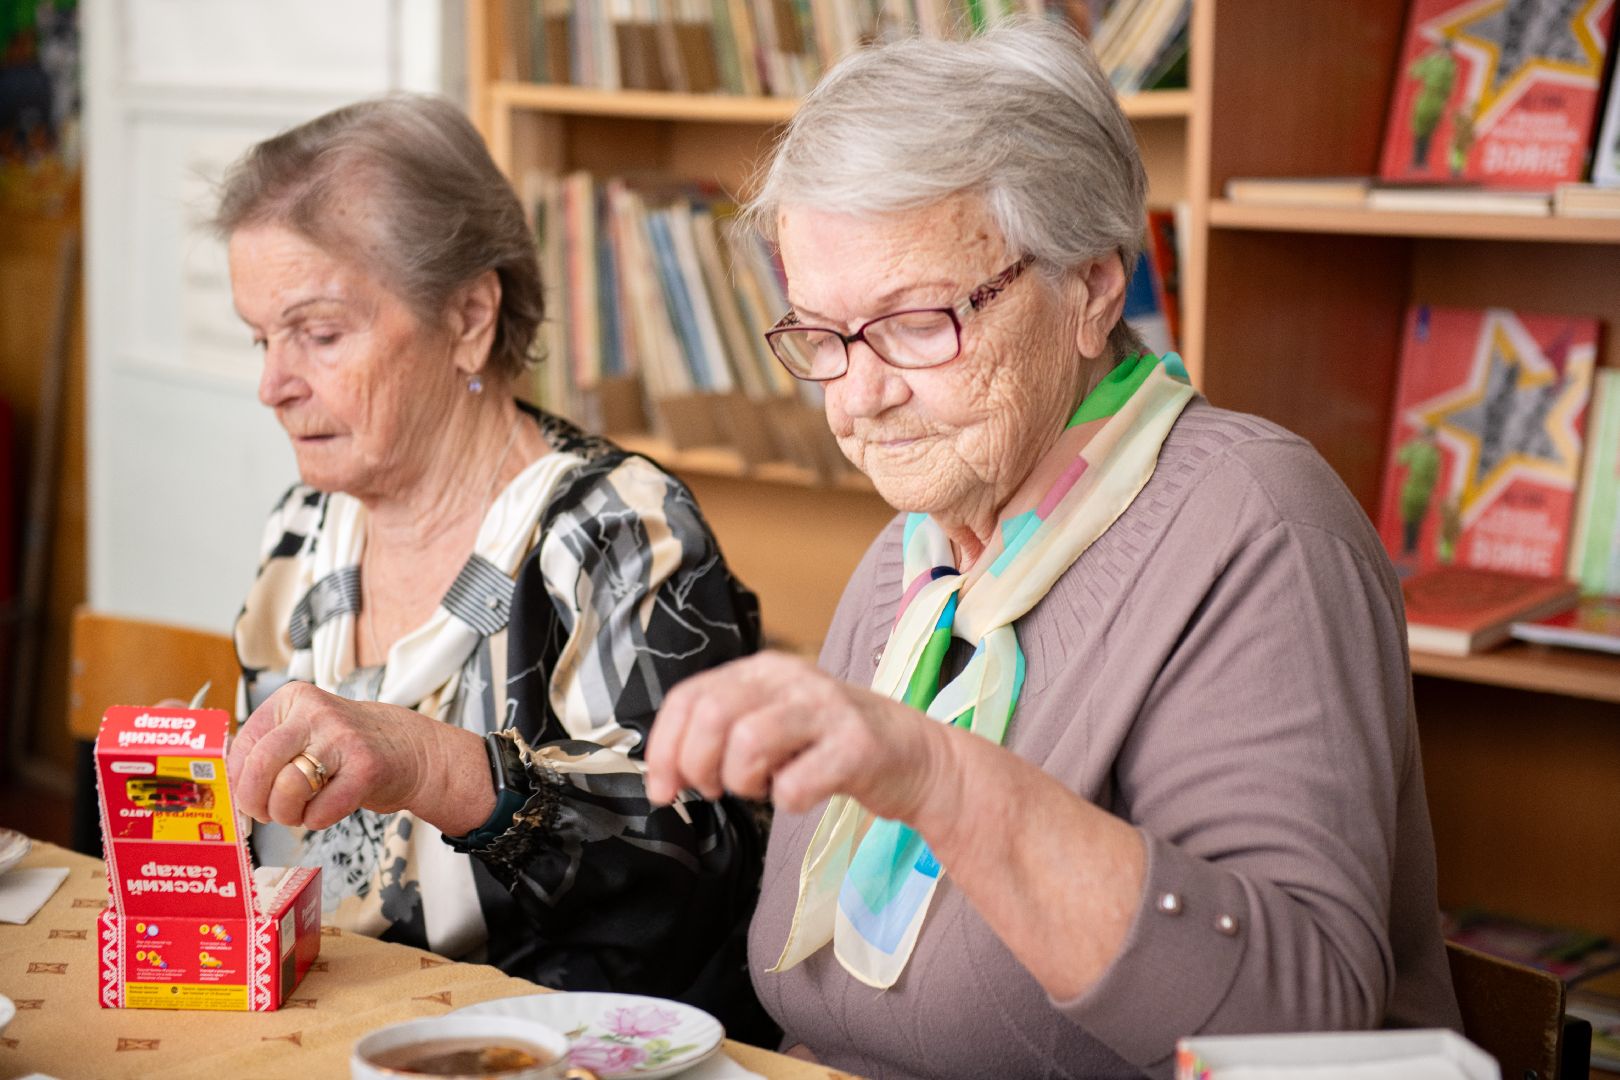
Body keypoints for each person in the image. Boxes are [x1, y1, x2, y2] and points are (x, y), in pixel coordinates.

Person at [643, 21, 1462, 1080]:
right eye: (822, 336)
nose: (860, 398)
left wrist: (938, 778)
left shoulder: (1261, 532)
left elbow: (1294, 1033)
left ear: (1092, 290)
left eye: (918, 322)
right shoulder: (917, 556)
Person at [216, 95, 772, 1040]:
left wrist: (429, 763)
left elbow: (688, 880)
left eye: (318, 333)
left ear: (471, 315)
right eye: (260, 337)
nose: (273, 385)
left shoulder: (612, 530)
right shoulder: (306, 530)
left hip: (541, 1051)